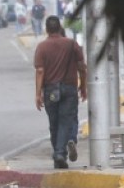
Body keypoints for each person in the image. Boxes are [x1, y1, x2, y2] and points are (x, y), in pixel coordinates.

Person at [34, 16, 87, 169]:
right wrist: (83, 86)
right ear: (59, 28)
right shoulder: (71, 44)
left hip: (50, 90)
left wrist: (38, 94)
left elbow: (40, 71)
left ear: (46, 29)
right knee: (66, 121)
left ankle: (59, 153)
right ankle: (60, 152)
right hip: (69, 88)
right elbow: (81, 67)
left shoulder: (42, 47)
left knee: (54, 123)